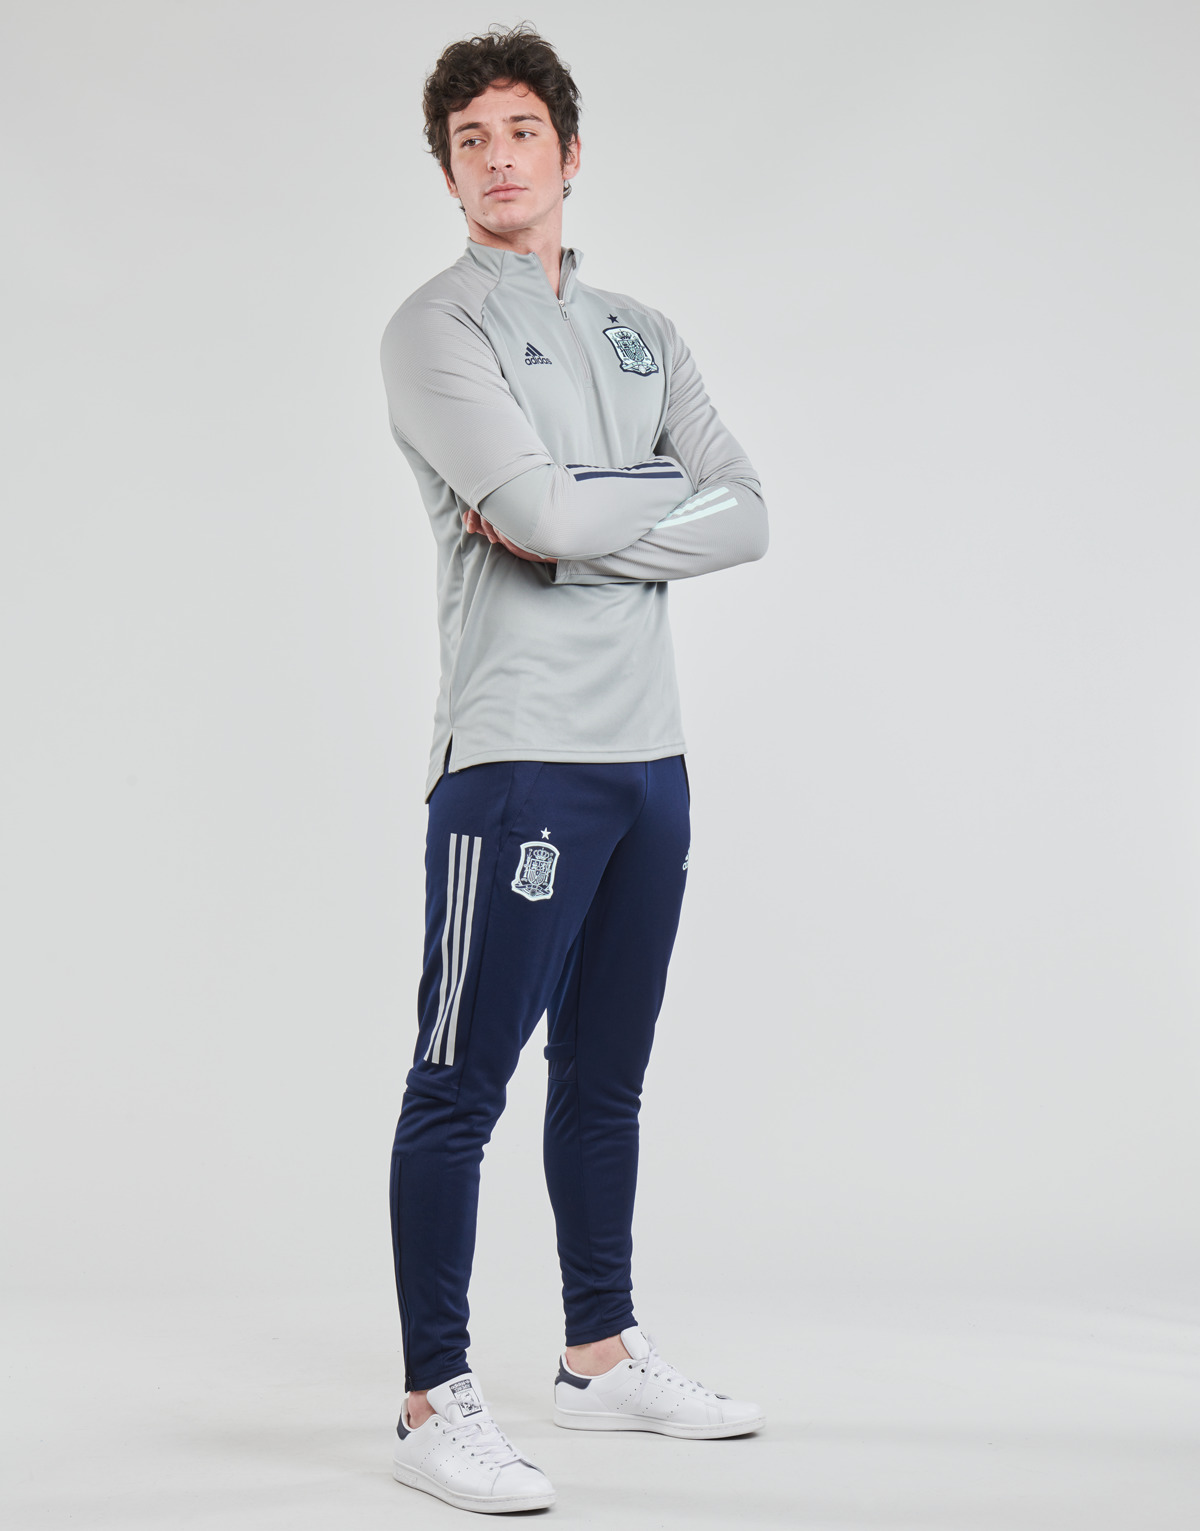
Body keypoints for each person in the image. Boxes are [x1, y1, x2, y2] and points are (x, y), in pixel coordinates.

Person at [379, 23, 769, 1515]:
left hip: (647, 759)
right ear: (448, 172)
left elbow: (744, 511)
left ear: (569, 151)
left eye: (520, 132)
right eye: (470, 141)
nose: (498, 159)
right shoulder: (437, 329)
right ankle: (431, 1400)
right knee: (460, 1084)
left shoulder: (639, 330)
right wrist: (611, 512)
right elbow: (532, 514)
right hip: (518, 757)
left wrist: (578, 518)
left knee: (607, 1077)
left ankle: (599, 1356)